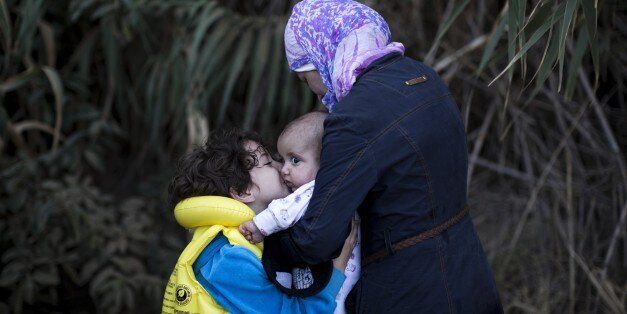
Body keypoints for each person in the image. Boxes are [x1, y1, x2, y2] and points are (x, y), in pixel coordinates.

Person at [266, 0, 503, 312]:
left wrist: (264, 239)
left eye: (304, 75)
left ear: (323, 52)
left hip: (408, 290)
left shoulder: (352, 119)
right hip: (469, 273)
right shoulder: (425, 78)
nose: (313, 89)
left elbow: (317, 238)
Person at [161, 128, 358, 313]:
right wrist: (337, 268)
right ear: (243, 192)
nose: (282, 167)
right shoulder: (226, 259)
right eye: (268, 162)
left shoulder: (244, 243)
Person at [239, 111, 360, 314]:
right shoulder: (229, 254)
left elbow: (284, 212)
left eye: (294, 160)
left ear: (325, 163)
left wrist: (259, 226)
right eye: (276, 161)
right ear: (243, 191)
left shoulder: (314, 191)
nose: (282, 169)